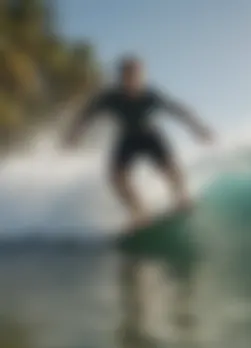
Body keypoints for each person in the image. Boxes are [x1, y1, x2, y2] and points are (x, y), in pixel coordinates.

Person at [64, 56, 214, 229]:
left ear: (141, 77)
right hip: (127, 138)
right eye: (128, 76)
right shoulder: (110, 97)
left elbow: (177, 110)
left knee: (171, 168)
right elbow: (87, 114)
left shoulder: (150, 95)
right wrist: (73, 134)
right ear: (121, 77)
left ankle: (182, 199)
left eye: (136, 75)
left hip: (150, 136)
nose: (133, 80)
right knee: (117, 178)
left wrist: (199, 129)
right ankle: (139, 212)